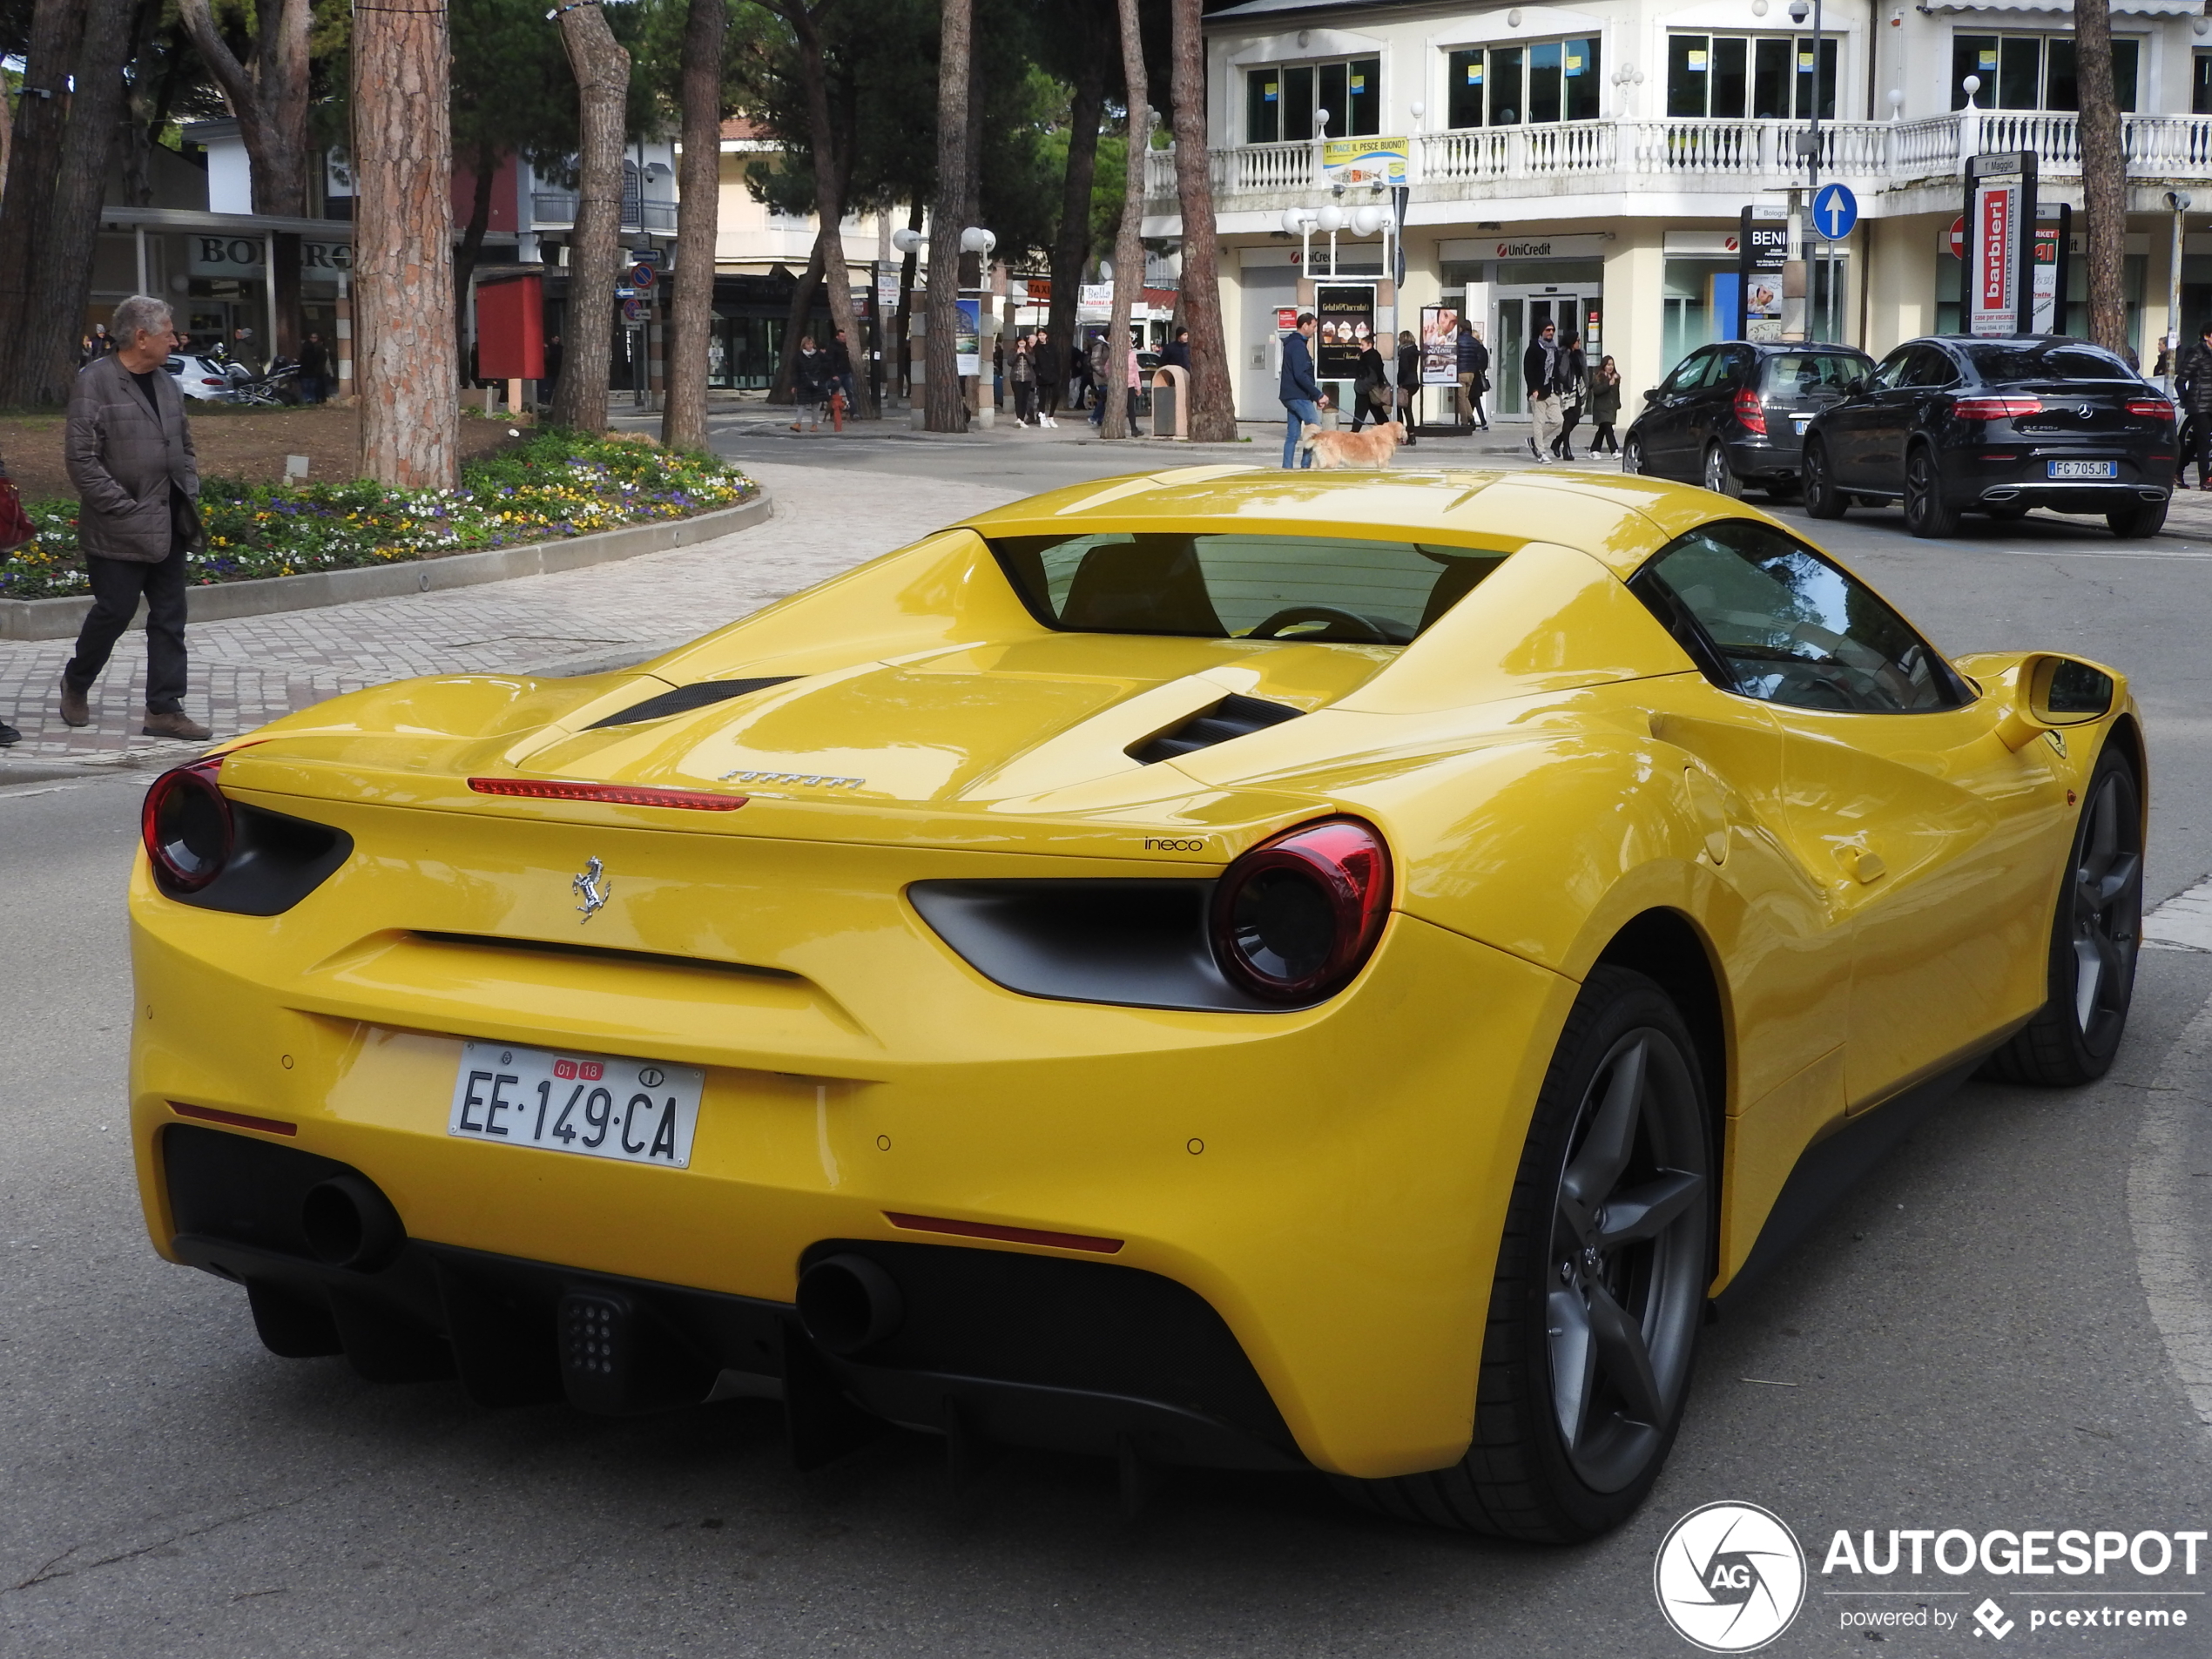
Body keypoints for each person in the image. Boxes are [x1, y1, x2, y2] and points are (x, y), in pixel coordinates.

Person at [57, 294, 212, 743]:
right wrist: (124, 507)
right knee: (115, 612)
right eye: (168, 333)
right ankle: (77, 681)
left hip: (169, 521)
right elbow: (81, 460)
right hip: (116, 526)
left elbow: (184, 444)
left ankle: (164, 709)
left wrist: (190, 486)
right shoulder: (96, 383)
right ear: (141, 337)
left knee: (170, 617)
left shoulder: (166, 383)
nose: (175, 340)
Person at [1280, 311, 1323, 469]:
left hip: (1289, 395)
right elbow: (1300, 375)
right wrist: (1318, 394)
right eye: (1313, 326)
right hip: (1299, 395)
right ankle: (1305, 467)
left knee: (1292, 435)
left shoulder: (1292, 343)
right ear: (1305, 326)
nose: (1315, 330)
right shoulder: (1298, 346)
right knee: (1315, 432)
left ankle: (1287, 468)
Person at [1523, 319, 1565, 464]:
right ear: (1541, 331)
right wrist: (1533, 389)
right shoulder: (1534, 348)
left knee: (1558, 420)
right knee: (1539, 422)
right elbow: (1528, 370)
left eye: (1552, 330)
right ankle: (1540, 451)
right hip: (1538, 391)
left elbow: (1556, 370)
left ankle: (1534, 441)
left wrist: (1559, 388)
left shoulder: (1554, 349)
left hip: (1552, 390)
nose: (1550, 333)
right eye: (1548, 330)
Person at [2177, 321, 2212, 489]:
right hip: (2199, 405)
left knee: (2196, 441)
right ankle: (2206, 480)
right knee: (2205, 442)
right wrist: (2186, 401)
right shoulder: (2197, 353)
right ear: (2207, 336)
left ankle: (2177, 472)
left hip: (2210, 404)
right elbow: (2180, 381)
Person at [1550, 331, 1588, 461]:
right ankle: (1566, 448)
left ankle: (1557, 442)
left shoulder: (1580, 354)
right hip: (1566, 389)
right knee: (1567, 418)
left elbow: (1584, 371)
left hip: (1578, 389)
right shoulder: (1563, 353)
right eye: (1577, 340)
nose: (1579, 342)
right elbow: (1562, 372)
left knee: (1576, 419)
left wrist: (1587, 386)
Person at [1350, 334, 1390, 432]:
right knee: (1378, 413)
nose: (1360, 347)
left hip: (1367, 391)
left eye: (1362, 345)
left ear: (1369, 344)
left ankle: (1353, 435)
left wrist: (1361, 388)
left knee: (1360, 414)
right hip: (1370, 390)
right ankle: (1389, 431)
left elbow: (1372, 376)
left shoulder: (1370, 357)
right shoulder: (1373, 356)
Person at [1457, 318, 1490, 431]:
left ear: (1461, 328)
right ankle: (1470, 418)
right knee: (1466, 397)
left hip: (1461, 371)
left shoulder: (1458, 341)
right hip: (1471, 373)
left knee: (1461, 398)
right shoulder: (1475, 342)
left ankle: (1465, 421)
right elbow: (1478, 359)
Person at [791, 334, 828, 431]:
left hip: (817, 383)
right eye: (808, 344)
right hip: (803, 383)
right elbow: (795, 371)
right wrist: (794, 385)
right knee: (802, 404)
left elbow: (827, 366)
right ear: (804, 345)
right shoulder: (798, 356)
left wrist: (822, 378)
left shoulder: (819, 355)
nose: (810, 346)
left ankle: (814, 425)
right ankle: (797, 423)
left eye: (811, 343)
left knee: (816, 405)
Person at [1588, 354, 1623, 455]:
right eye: (1608, 364)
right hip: (1601, 408)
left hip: (1610, 408)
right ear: (1604, 365)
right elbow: (1597, 391)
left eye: (1612, 364)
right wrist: (1609, 383)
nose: (1610, 367)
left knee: (1603, 429)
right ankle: (1614, 450)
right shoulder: (1599, 377)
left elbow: (1616, 393)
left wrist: (1617, 404)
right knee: (1608, 429)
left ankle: (1594, 450)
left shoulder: (1615, 378)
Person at [1395, 328, 1420, 447]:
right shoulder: (1414, 351)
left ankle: (1403, 435)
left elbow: (1403, 369)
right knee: (1407, 408)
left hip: (1405, 383)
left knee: (1401, 408)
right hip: (1414, 382)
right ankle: (1412, 435)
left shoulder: (1404, 352)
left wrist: (1398, 381)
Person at [1034, 332, 1063, 428]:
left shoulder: (1052, 346)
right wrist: (1039, 373)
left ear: (1046, 336)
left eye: (1043, 335)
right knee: (1043, 396)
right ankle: (1042, 414)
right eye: (1040, 335)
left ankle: (1051, 416)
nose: (1042, 337)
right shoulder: (1036, 348)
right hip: (1042, 375)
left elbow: (1057, 359)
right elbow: (1035, 363)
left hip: (1053, 374)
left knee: (1056, 394)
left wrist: (1058, 373)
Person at [828, 328, 856, 415]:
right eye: (842, 336)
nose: (844, 338)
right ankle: (833, 412)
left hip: (846, 372)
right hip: (838, 373)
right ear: (837, 337)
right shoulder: (833, 347)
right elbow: (831, 361)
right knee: (835, 393)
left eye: (844, 336)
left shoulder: (844, 346)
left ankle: (853, 412)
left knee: (850, 392)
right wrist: (833, 374)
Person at [1009, 334, 1036, 426]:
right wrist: (1017, 353)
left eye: (1023, 342)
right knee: (1018, 398)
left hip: (1027, 378)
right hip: (1016, 378)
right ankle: (1019, 418)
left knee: (1025, 399)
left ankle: (1022, 418)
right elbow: (1010, 362)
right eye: (1020, 342)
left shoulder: (1030, 351)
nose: (1022, 343)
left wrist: (1025, 354)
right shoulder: (1013, 351)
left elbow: (1033, 362)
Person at [299, 331, 330, 404]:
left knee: (313, 389)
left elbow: (322, 361)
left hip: (316, 373)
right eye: (311, 338)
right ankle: (314, 401)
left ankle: (314, 401)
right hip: (312, 373)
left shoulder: (320, 348)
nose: (313, 339)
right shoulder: (308, 349)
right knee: (312, 389)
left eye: (315, 338)